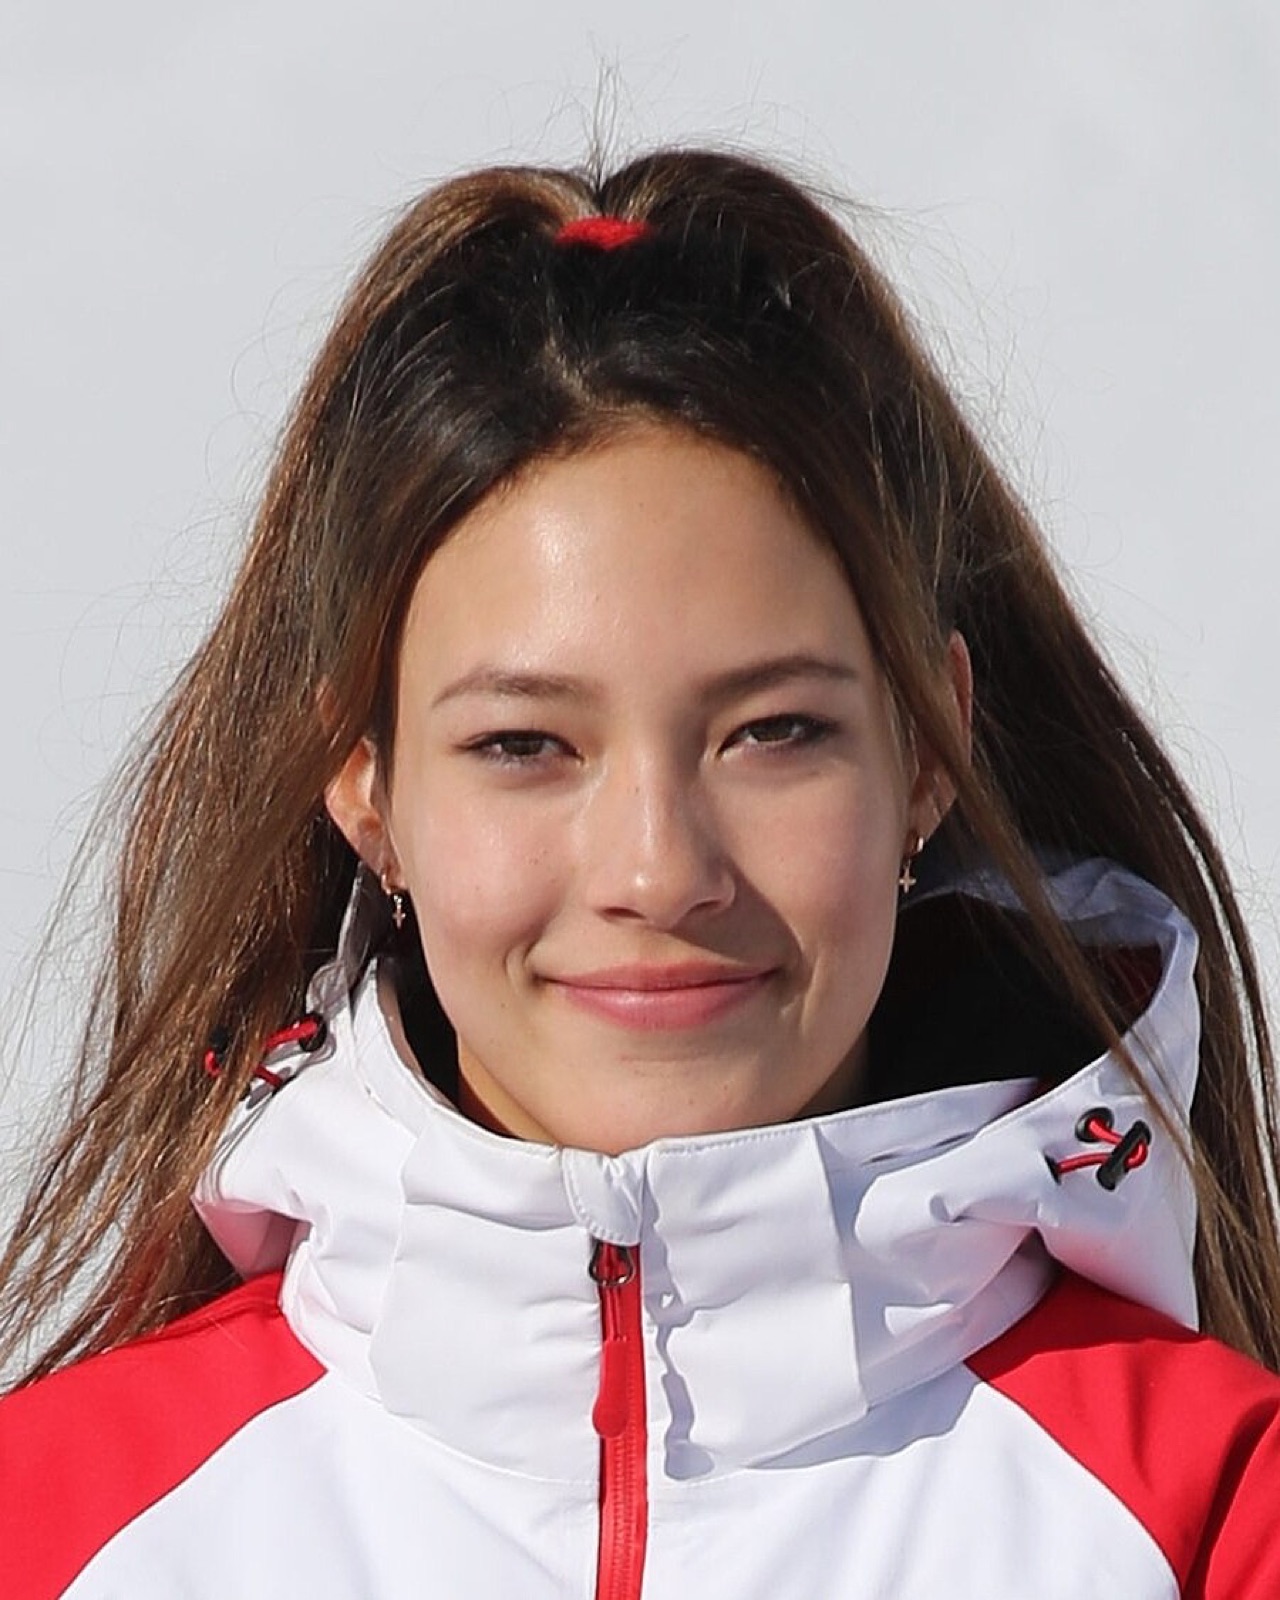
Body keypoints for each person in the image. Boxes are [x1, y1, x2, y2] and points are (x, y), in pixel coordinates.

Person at [1, 147, 1278, 1599]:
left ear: (929, 746)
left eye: (773, 732)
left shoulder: (1210, 1522)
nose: (660, 872)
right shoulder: (55, 1531)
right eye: (525, 745)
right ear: (364, 781)